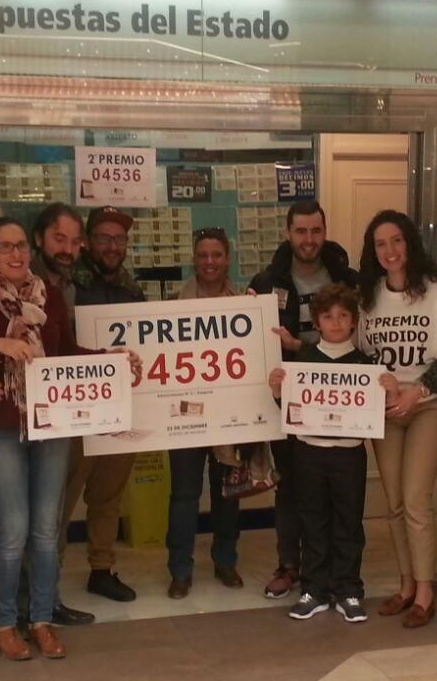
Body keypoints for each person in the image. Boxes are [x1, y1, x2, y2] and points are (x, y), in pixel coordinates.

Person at [0, 217, 98, 662]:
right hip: (1, 428)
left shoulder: (48, 296)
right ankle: (4, 622)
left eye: (20, 246)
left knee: (45, 528)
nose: (15, 255)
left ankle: (40, 619)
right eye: (4, 247)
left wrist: (109, 362)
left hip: (50, 423)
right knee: (13, 528)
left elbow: (65, 354)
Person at [247, 200, 358, 600]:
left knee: (335, 490)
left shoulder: (348, 279)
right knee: (290, 486)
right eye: (301, 232)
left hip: (344, 402)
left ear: (324, 231)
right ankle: (288, 565)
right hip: (288, 400)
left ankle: (332, 569)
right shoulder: (265, 282)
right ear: (288, 233)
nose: (308, 240)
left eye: (315, 231)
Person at [267, 283, 392, 623]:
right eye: (327, 316)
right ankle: (315, 589)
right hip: (309, 452)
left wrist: (388, 390)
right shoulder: (303, 360)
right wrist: (279, 389)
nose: (335, 323)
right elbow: (290, 407)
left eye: (343, 316)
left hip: (349, 455)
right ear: (317, 322)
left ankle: (349, 589)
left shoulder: (366, 365)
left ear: (353, 321)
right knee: (313, 522)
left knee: (349, 524)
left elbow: (376, 410)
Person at [355, 210, 437, 629]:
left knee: (415, 500)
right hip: (385, 410)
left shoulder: (436, 290)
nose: (389, 251)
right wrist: (383, 386)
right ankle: (406, 584)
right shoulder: (368, 296)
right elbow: (360, 354)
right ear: (372, 252)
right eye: (380, 244)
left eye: (396, 241)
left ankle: (426, 591)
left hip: (427, 405)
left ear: (409, 243)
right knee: (393, 503)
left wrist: (416, 392)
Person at [57, 206, 145, 605]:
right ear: (89, 242)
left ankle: (102, 569)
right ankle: (47, 577)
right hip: (75, 411)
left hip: (119, 407)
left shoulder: (133, 290)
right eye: (104, 238)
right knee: (60, 497)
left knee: (109, 495)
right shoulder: (66, 286)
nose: (112, 246)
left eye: (119, 239)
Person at [23, 201, 93, 627]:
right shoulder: (18, 283)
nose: (67, 248)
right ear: (38, 239)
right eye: (58, 239)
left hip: (59, 413)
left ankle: (44, 603)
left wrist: (112, 360)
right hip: (19, 420)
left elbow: (65, 351)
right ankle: (22, 608)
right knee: (23, 519)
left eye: (73, 240)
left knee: (50, 515)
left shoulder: (67, 287)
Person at [165, 228, 246, 598]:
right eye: (203, 255)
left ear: (227, 259)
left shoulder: (246, 303)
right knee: (184, 495)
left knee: (226, 492)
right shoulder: (173, 305)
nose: (210, 262)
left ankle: (225, 560)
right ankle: (180, 569)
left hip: (228, 415)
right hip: (184, 414)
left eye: (217, 255)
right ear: (194, 259)